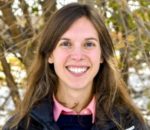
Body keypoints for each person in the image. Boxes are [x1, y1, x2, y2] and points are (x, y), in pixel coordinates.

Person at [3, 2, 148, 130]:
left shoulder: (130, 124)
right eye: (66, 44)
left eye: (89, 44)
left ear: (102, 55)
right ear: (50, 54)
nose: (78, 56)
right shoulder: (20, 126)